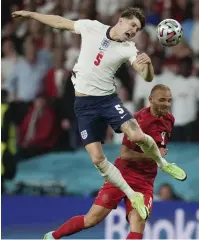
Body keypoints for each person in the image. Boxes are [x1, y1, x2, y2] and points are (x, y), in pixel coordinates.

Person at [12, 8, 186, 220]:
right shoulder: (92, 27)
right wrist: (32, 15)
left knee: (137, 136)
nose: (134, 31)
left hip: (107, 101)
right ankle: (133, 195)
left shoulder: (129, 48)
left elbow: (147, 77)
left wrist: (147, 66)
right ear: (121, 20)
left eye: (138, 29)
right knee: (97, 159)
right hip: (83, 105)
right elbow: (60, 21)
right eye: (132, 25)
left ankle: (164, 164)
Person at [43, 84, 179, 239]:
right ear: (150, 100)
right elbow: (125, 154)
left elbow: (159, 143)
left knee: (138, 225)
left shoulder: (169, 119)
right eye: (162, 100)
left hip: (146, 181)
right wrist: (155, 156)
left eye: (169, 101)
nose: (166, 104)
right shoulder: (137, 121)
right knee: (91, 219)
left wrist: (158, 152)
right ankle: (52, 237)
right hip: (123, 176)